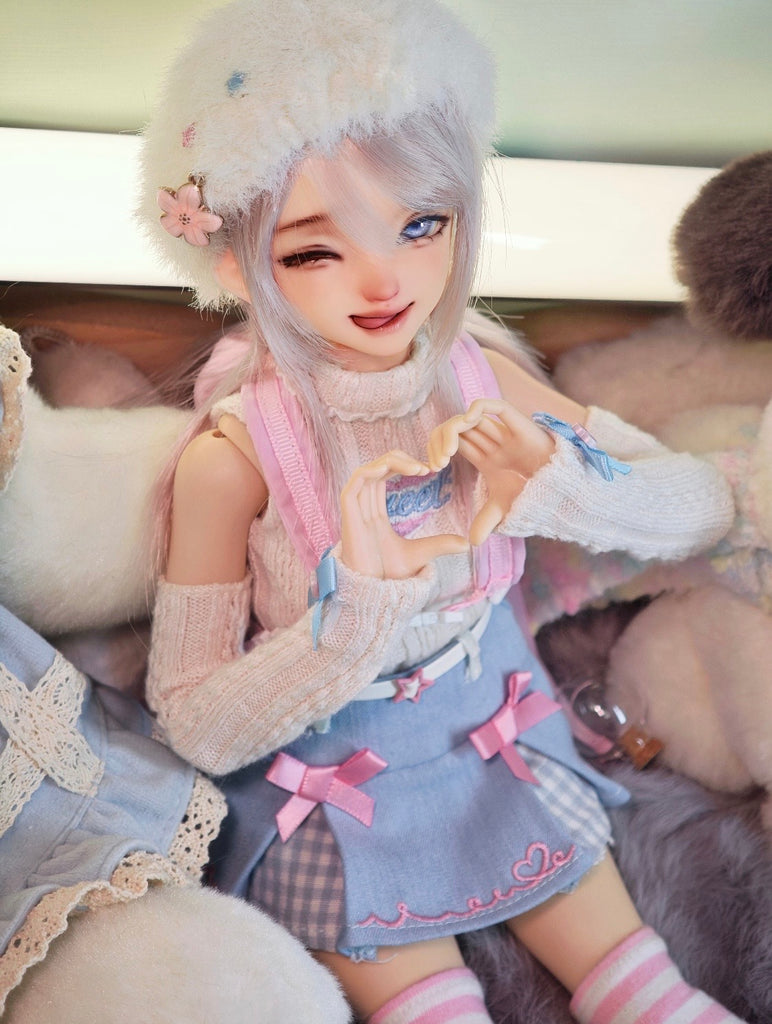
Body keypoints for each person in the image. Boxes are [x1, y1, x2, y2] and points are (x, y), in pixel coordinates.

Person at [140, 1, 740, 1021]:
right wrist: (354, 619)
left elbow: (702, 507)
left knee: (650, 995)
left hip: (495, 729)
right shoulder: (232, 457)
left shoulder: (479, 373)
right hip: (333, 773)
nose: (385, 279)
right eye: (314, 251)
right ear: (237, 263)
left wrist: (559, 479)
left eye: (422, 225)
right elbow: (194, 722)